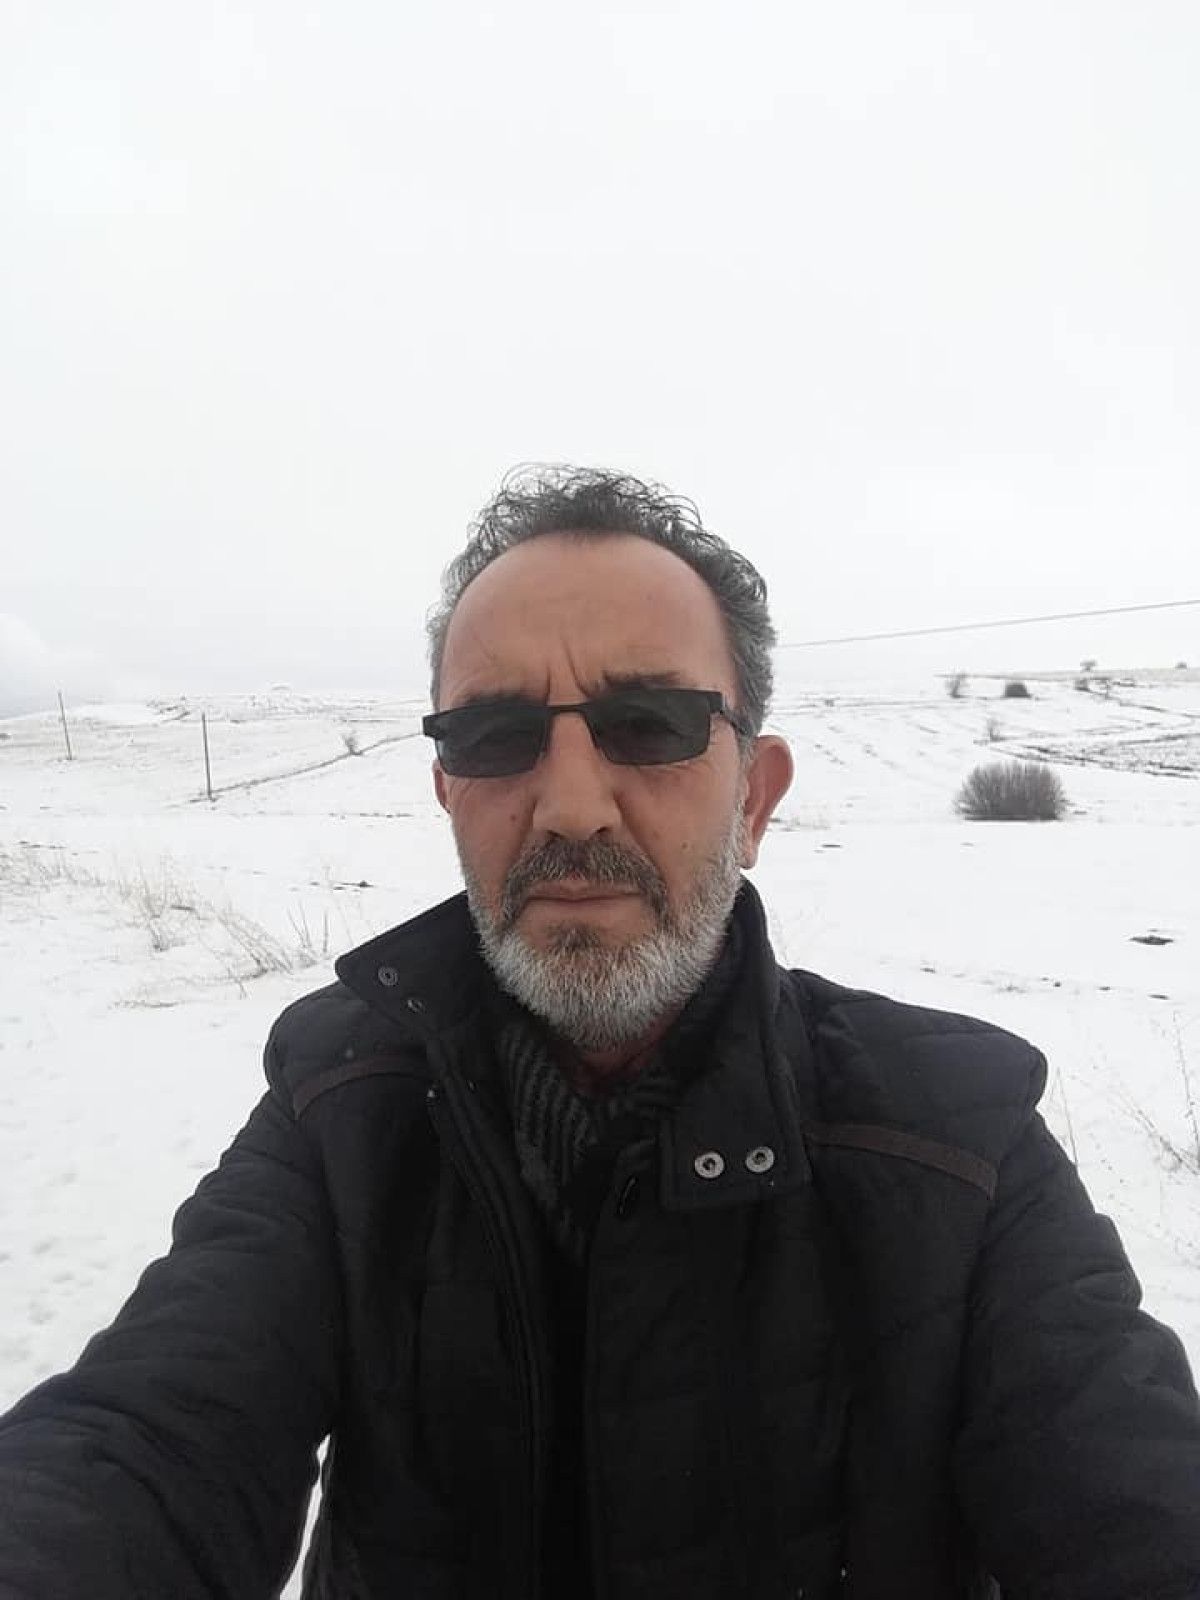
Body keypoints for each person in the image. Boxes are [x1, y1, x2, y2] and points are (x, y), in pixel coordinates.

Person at [1, 467, 1198, 1600]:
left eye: (648, 721)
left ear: (755, 796)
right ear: (449, 794)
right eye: (494, 735)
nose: (571, 806)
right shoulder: (342, 1105)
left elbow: (1131, 1493)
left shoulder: (956, 1144)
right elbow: (147, 1438)